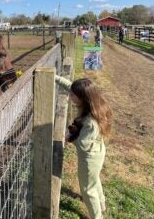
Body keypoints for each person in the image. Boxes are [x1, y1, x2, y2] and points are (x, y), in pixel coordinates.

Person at [55, 76, 112, 219]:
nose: (70, 95)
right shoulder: (91, 103)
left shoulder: (90, 122)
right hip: (97, 152)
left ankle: (97, 216)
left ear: (82, 98)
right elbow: (69, 85)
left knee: (88, 189)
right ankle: (102, 204)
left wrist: (67, 137)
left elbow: (83, 143)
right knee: (94, 179)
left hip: (89, 158)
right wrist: (54, 76)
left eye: (73, 95)